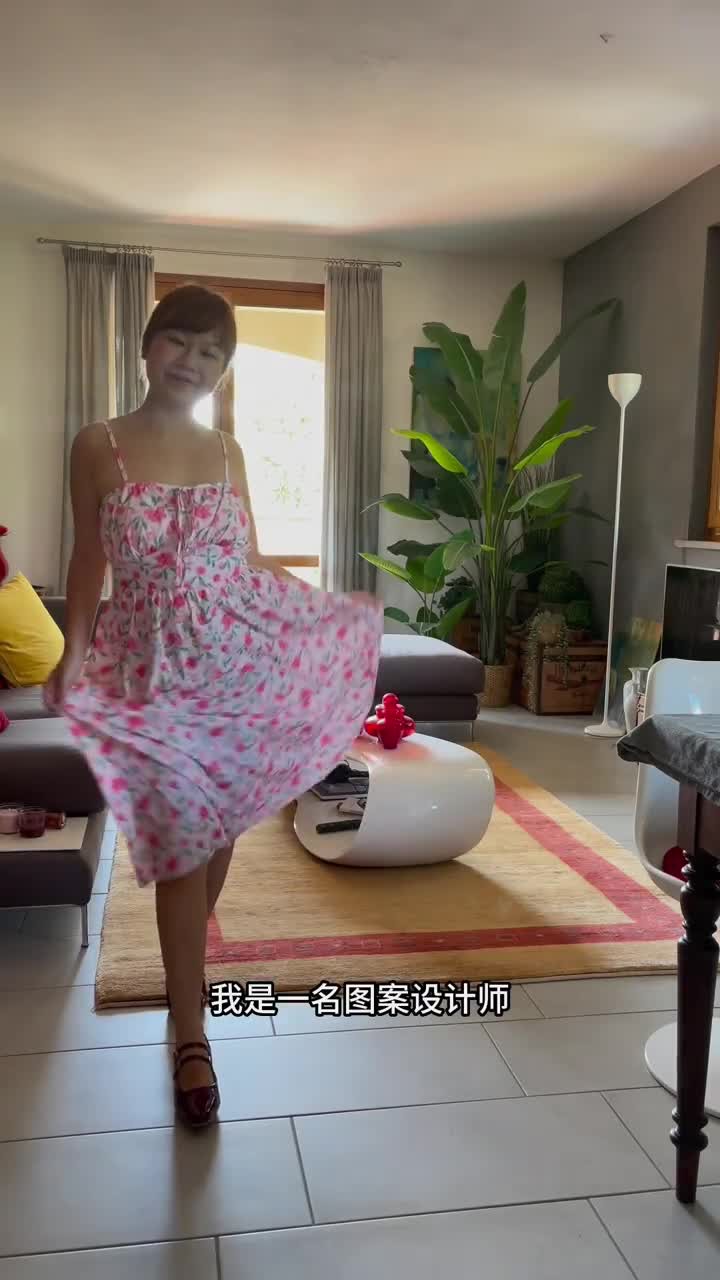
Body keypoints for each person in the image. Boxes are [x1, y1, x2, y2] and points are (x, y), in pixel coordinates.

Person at [45, 284, 383, 1128]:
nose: (192, 362)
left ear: (222, 369)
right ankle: (191, 1035)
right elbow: (87, 560)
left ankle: (183, 973)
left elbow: (249, 559)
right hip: (149, 671)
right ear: (146, 346)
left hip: (232, 661)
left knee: (220, 830)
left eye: (211, 353)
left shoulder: (229, 452)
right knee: (184, 843)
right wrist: (72, 651)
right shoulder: (98, 445)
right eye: (179, 342)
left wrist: (318, 613)